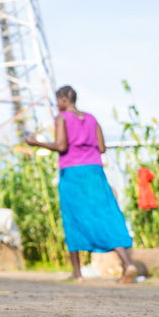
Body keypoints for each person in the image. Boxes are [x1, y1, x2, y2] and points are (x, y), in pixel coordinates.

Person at [25, 85, 137, 283]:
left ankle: (77, 274)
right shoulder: (92, 118)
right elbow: (101, 148)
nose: (57, 105)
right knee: (107, 215)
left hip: (73, 174)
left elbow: (61, 146)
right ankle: (128, 264)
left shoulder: (62, 118)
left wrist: (37, 143)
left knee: (73, 218)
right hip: (95, 172)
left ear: (63, 100)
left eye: (58, 101)